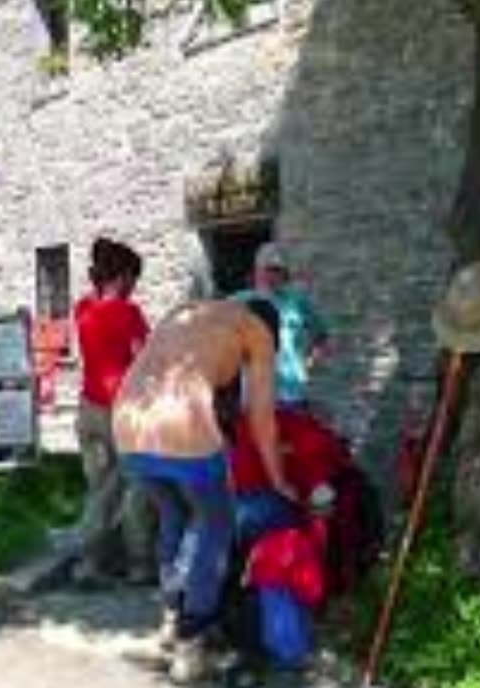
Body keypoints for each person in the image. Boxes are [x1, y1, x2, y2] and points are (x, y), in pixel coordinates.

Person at [112, 298, 295, 684]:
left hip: (127, 421)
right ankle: (190, 647)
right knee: (216, 525)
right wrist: (279, 481)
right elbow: (263, 418)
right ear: (271, 329)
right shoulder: (257, 329)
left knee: (175, 515)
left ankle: (169, 622)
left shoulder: (186, 310)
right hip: (180, 422)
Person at [71, 237, 155, 586]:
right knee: (137, 486)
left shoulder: (82, 309)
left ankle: (91, 562)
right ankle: (138, 564)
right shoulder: (129, 314)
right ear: (121, 277)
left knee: (100, 489)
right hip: (120, 413)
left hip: (87, 409)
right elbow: (144, 360)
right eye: (134, 279)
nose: (135, 287)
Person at [232, 242, 330, 409]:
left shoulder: (297, 301)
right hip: (255, 396)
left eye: (277, 269)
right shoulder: (239, 301)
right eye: (268, 269)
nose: (273, 275)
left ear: (285, 273)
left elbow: (322, 337)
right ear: (257, 271)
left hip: (293, 394)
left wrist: (306, 364)